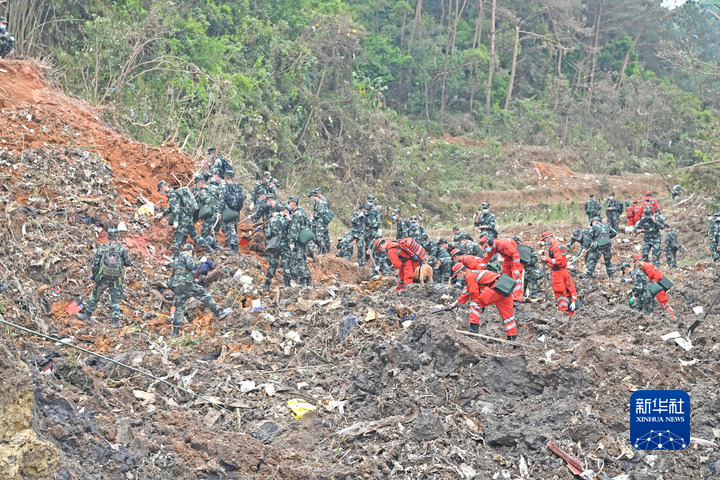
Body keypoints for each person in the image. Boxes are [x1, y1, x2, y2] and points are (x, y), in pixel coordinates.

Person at [168, 244, 232, 336]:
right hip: (186, 283)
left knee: (179, 307)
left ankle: (175, 332)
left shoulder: (177, 259)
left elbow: (174, 274)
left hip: (177, 285)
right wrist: (201, 261)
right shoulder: (187, 256)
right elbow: (192, 266)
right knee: (204, 294)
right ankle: (219, 313)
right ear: (190, 250)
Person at [76, 228, 132, 327]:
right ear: (117, 237)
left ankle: (87, 315)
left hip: (103, 278)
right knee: (115, 299)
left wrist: (95, 276)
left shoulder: (102, 248)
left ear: (108, 236)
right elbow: (128, 263)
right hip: (117, 279)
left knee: (95, 296)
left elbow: (95, 264)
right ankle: (115, 322)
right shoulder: (121, 249)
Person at [447, 265, 517, 340]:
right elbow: (468, 291)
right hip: (504, 288)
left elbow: (473, 292)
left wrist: (480, 305)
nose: (458, 277)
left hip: (495, 288)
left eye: (457, 275)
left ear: (461, 272)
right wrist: (456, 303)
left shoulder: (469, 276)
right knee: (508, 315)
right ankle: (512, 336)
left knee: (474, 305)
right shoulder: (473, 273)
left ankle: (473, 332)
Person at [157, 180, 211, 257]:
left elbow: (176, 209)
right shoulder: (175, 192)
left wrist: (176, 221)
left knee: (177, 239)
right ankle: (210, 248)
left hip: (182, 219)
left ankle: (175, 258)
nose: (161, 192)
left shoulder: (171, 195)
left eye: (160, 190)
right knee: (195, 235)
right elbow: (173, 207)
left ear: (162, 187)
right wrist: (163, 213)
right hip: (188, 217)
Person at [476, 236, 524, 304]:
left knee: (515, 276)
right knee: (504, 277)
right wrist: (477, 272)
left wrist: (516, 269)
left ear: (490, 243)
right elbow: (484, 262)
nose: (486, 249)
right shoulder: (491, 249)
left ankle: (517, 299)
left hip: (516, 258)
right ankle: (506, 296)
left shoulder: (503, 243)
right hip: (507, 259)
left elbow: (515, 254)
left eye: (486, 246)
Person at [540, 231, 577, 316]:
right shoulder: (558, 245)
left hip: (558, 273)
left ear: (549, 238)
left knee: (560, 292)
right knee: (569, 288)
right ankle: (570, 312)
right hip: (563, 271)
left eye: (545, 240)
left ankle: (563, 312)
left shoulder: (555, 247)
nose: (545, 243)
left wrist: (547, 259)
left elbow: (557, 261)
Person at [262, 203, 291, 289]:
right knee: (286, 264)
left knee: (273, 264)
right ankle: (287, 285)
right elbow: (291, 232)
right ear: (285, 210)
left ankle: (267, 284)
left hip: (274, 244)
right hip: (285, 244)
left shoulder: (272, 220)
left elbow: (268, 234)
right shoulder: (288, 220)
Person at [287, 195, 313, 286]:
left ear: (294, 203)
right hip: (304, 240)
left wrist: (291, 242)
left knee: (298, 260)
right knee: (303, 260)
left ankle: (301, 281)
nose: (288, 205)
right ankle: (309, 281)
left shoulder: (296, 214)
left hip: (298, 241)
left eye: (289, 203)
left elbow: (295, 229)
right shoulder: (302, 212)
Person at [218, 171, 245, 253]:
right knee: (233, 228)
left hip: (227, 211)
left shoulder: (224, 187)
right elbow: (242, 198)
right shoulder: (237, 187)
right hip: (236, 211)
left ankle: (235, 248)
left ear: (225, 177)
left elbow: (221, 200)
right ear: (232, 178)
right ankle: (229, 245)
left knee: (230, 229)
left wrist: (219, 211)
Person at [193, 176, 219, 252]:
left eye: (197, 184)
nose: (197, 186)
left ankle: (214, 247)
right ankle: (215, 246)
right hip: (218, 214)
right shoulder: (214, 188)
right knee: (211, 231)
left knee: (204, 233)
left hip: (210, 215)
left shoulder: (199, 194)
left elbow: (195, 206)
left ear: (199, 183)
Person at [516, 237, 542, 301]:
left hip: (531, 271)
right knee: (521, 287)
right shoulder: (514, 251)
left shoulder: (529, 249)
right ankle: (521, 297)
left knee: (532, 288)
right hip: (522, 272)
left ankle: (533, 299)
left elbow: (535, 259)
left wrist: (526, 262)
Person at [309, 189, 331, 254]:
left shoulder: (321, 203)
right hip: (315, 222)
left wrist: (314, 216)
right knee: (314, 236)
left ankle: (323, 250)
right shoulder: (315, 204)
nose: (310, 198)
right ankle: (318, 248)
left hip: (320, 222)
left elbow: (320, 212)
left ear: (313, 196)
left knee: (319, 237)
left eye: (311, 196)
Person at [364, 194, 381, 261]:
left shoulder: (375, 209)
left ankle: (373, 259)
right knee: (367, 244)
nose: (371, 202)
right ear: (366, 200)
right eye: (369, 201)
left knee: (374, 244)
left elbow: (379, 219)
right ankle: (367, 258)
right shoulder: (364, 209)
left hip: (374, 229)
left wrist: (379, 228)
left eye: (372, 201)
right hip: (367, 229)